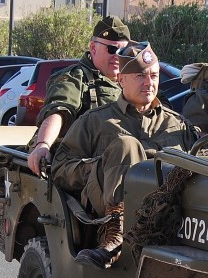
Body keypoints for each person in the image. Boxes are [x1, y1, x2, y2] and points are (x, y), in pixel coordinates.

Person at [51, 43, 198, 268]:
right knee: (126, 145)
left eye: (154, 75)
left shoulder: (177, 124)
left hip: (165, 213)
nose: (149, 83)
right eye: (140, 76)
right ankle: (115, 235)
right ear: (121, 80)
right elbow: (60, 168)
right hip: (106, 208)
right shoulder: (96, 121)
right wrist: (102, 167)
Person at [26, 15, 130, 175]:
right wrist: (43, 145)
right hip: (84, 165)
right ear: (93, 48)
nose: (117, 56)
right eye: (112, 49)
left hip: (123, 161)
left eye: (123, 51)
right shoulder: (75, 77)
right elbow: (59, 110)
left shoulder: (131, 81)